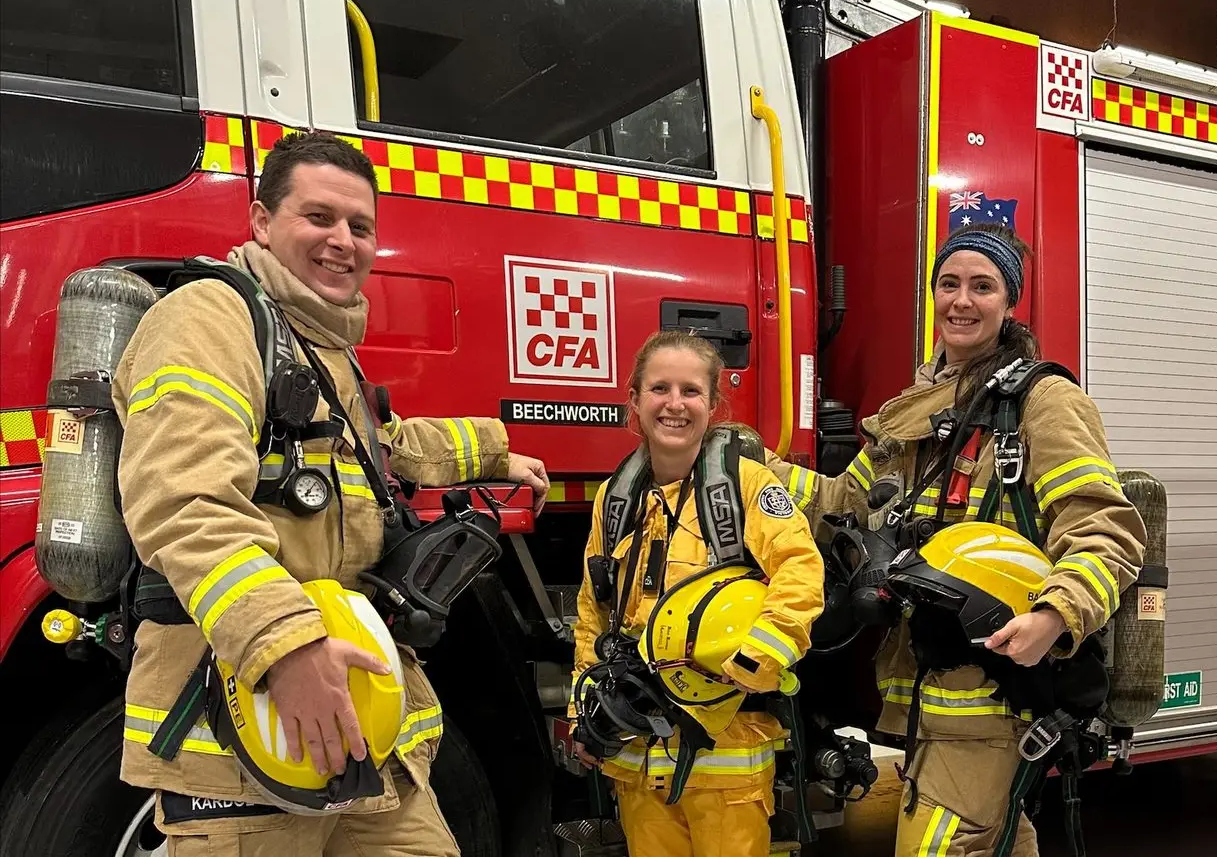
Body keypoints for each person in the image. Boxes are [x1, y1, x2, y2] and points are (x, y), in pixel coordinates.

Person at [112, 130, 551, 855]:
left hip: (361, 731)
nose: (343, 240)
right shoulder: (208, 320)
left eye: (360, 225)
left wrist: (495, 448)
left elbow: (384, 445)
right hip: (244, 736)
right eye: (318, 217)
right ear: (260, 221)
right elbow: (183, 503)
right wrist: (284, 645)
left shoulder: (320, 346)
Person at [765, 222, 1146, 856]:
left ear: (1009, 301)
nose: (961, 300)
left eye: (982, 286)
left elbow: (1109, 530)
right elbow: (841, 505)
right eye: (949, 284)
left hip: (999, 687)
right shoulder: (912, 416)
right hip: (927, 685)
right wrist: (750, 469)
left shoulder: (1042, 402)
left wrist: (1055, 614)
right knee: (995, 839)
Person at [569, 330, 825, 857]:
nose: (675, 404)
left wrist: (759, 657)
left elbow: (800, 570)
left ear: (713, 405)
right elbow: (593, 612)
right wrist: (583, 709)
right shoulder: (616, 500)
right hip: (639, 751)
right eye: (660, 388)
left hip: (726, 749)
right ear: (634, 400)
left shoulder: (747, 486)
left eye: (691, 391)